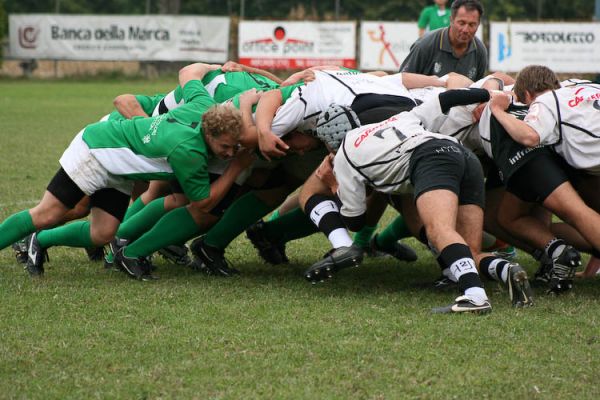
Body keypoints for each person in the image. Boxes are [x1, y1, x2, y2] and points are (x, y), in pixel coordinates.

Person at [0, 63, 249, 280]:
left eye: (234, 146)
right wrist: (236, 167)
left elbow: (190, 71)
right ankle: (30, 235)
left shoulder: (205, 105)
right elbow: (203, 203)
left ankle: (39, 240)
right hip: (96, 151)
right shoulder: (188, 151)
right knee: (47, 213)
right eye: (225, 147)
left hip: (118, 169)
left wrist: (219, 66)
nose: (229, 153)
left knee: (102, 233)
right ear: (209, 133)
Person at [306, 91, 534, 312]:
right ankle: (506, 270)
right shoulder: (394, 120)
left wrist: (335, 186)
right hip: (462, 154)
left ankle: (475, 297)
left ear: (329, 144)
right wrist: (488, 94)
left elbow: (355, 222)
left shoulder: (343, 154)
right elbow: (444, 99)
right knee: (468, 251)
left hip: (430, 158)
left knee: (439, 230)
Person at [400, 0, 487, 81]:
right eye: (461, 23)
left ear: (478, 24)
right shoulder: (425, 44)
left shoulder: (480, 50)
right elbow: (401, 79)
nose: (465, 30)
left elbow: (478, 89)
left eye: (472, 25)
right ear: (451, 20)